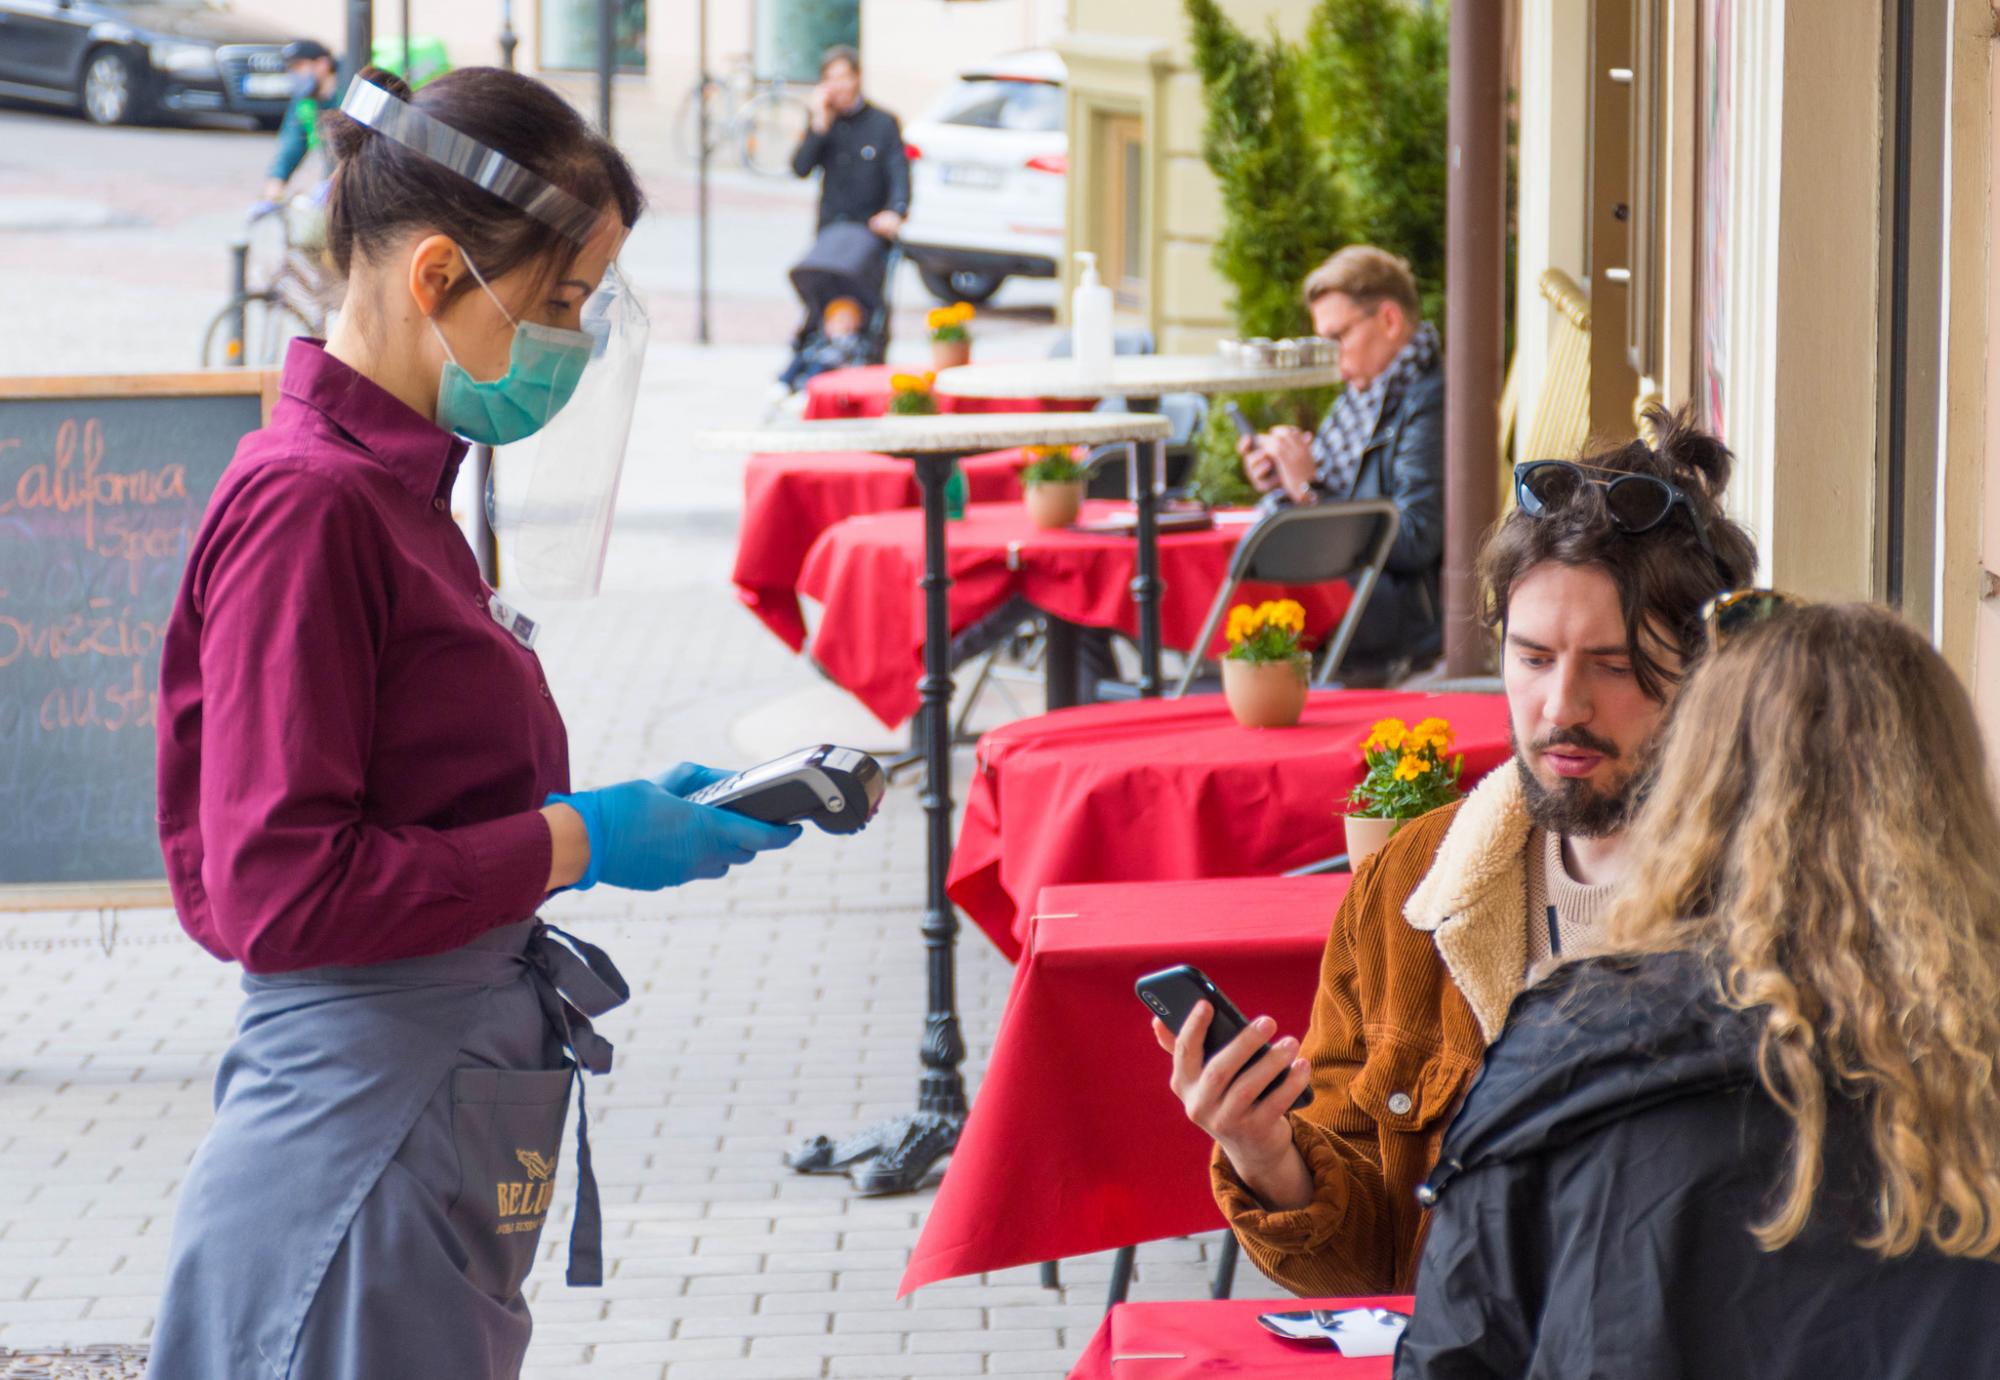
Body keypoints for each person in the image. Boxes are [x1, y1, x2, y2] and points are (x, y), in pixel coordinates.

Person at [147, 66, 799, 1379]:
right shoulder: (312, 507)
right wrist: (577, 837)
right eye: (559, 304)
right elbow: (280, 891)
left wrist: (588, 826)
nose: (570, 343)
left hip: (410, 1118)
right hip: (358, 1142)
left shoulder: (396, 494)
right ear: (437, 274)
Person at [1152, 407, 1757, 1297]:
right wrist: (1265, 1151)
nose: (1562, 705)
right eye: (1533, 656)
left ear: (1711, 673)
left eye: (1616, 664)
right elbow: (1366, 1270)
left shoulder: (1779, 901)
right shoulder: (1412, 890)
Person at [1397, 602, 2000, 1378]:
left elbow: (1454, 1355)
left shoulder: (1571, 1048)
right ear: (1949, 796)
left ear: (1697, 790)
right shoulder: (1970, 1059)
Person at [1239, 246, 1444, 680]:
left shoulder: (1430, 400)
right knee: (1229, 575)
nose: (1335, 358)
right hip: (1353, 589)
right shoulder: (1367, 396)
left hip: (1398, 611)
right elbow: (1334, 489)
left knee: (1235, 590)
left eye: (1338, 338)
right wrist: (1283, 479)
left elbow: (1415, 538)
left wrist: (1310, 492)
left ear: (1388, 320)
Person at [790, 45, 910, 243]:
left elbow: (898, 171)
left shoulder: (883, 123)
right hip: (831, 229)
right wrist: (819, 126)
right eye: (830, 79)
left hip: (870, 230)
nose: (837, 86)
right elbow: (800, 169)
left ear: (856, 78)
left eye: (842, 78)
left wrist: (895, 211)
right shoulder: (823, 121)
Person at [258, 39, 347, 212]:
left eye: (299, 66)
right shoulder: (305, 100)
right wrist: (276, 182)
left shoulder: (348, 90)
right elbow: (293, 141)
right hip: (334, 181)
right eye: (291, 68)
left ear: (323, 64)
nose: (294, 74)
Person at [779, 294, 871, 392]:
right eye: (837, 322)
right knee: (800, 359)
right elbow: (811, 349)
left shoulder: (853, 342)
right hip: (815, 361)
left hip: (833, 367)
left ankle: (806, 391)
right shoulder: (822, 339)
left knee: (819, 365)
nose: (842, 325)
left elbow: (857, 359)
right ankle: (782, 384)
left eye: (845, 321)